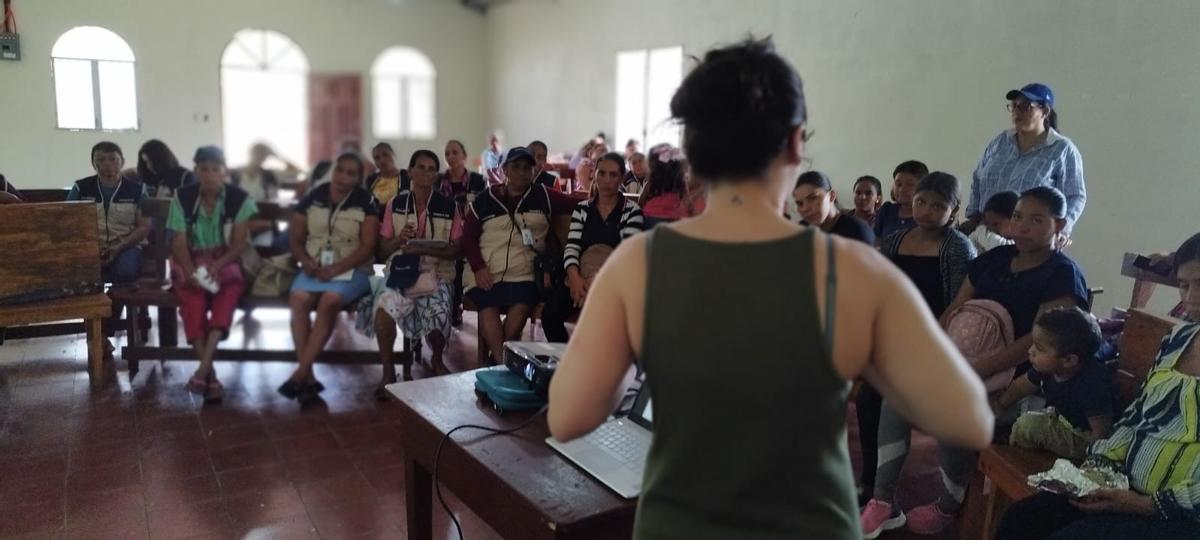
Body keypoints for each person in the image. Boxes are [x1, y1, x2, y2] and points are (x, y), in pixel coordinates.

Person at [547, 37, 993, 540]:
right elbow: (970, 419)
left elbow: (567, 416)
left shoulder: (639, 264)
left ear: (691, 150)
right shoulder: (852, 271)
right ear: (797, 142)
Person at [994, 233, 1200, 539]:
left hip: (1179, 514)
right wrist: (1097, 468)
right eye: (1184, 284)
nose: (1191, 297)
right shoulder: (1178, 341)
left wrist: (1144, 504)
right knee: (1023, 519)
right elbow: (1138, 418)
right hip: (1126, 487)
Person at [858, 172, 976, 519]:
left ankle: (926, 494)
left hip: (939, 344)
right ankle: (874, 482)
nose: (926, 210)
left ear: (953, 211)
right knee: (868, 398)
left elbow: (959, 305)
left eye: (938, 205)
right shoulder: (896, 240)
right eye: (921, 201)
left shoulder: (957, 247)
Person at [461, 146, 577, 366]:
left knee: (522, 303)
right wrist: (478, 267)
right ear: (505, 169)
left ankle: (497, 364)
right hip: (487, 269)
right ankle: (503, 364)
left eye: (527, 167)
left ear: (533, 171)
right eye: (516, 167)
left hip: (524, 271)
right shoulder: (487, 198)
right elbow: (468, 237)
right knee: (487, 305)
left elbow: (578, 204)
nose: (522, 172)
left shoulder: (543, 195)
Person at [283, 152, 379, 403]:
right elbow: (294, 238)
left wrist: (336, 269)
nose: (343, 177)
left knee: (330, 301)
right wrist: (306, 261)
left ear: (358, 178)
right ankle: (309, 376)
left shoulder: (365, 200)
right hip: (315, 267)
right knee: (299, 299)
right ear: (333, 170)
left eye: (351, 173)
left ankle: (299, 375)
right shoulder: (314, 196)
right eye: (340, 170)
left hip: (354, 269)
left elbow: (367, 247)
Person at [166, 146, 257, 401]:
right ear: (195, 171)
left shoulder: (238, 198)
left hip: (224, 257)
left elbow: (239, 243)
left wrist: (216, 267)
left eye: (215, 169)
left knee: (228, 290)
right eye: (203, 169)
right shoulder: (182, 197)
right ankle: (211, 374)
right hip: (191, 259)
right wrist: (191, 270)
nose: (209, 175)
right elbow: (179, 243)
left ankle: (201, 371)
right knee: (191, 296)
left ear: (224, 171)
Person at [372, 150, 463, 392]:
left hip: (437, 273)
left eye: (431, 168)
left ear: (436, 174)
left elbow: (456, 251)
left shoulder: (448, 206)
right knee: (383, 316)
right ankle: (388, 372)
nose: (426, 172)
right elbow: (381, 250)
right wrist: (398, 240)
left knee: (440, 315)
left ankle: (436, 359)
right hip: (402, 273)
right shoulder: (396, 203)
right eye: (420, 167)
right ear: (410, 171)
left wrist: (425, 247)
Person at [542, 152, 644, 343]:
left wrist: (597, 281)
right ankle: (567, 360)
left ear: (621, 178)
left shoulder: (631, 211)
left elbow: (627, 257)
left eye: (613, 175)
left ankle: (595, 366)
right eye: (602, 173)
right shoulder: (583, 208)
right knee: (550, 314)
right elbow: (571, 248)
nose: (606, 180)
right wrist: (574, 278)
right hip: (579, 278)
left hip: (613, 281)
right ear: (595, 175)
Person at [964, 83, 1086, 242]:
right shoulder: (1000, 142)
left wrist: (1061, 230)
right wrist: (973, 217)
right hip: (985, 233)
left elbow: (1075, 196)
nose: (1017, 111)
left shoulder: (1062, 149)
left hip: (1027, 238)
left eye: (1026, 106)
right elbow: (978, 179)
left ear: (1045, 111)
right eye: (1014, 106)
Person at [993, 306, 1115, 459]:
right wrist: (998, 407)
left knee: (1027, 426)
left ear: (1069, 360)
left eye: (1039, 348)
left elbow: (1101, 431)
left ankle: (1013, 459)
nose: (1030, 351)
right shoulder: (1047, 368)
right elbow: (1020, 387)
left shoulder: (1092, 383)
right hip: (1061, 419)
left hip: (1083, 437)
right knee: (1023, 419)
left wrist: (1090, 462)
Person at [69, 142, 151, 286]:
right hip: (90, 248)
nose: (107, 164)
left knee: (125, 270)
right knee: (75, 271)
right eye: (100, 160)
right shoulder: (81, 188)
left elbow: (144, 227)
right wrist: (89, 248)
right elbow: (67, 221)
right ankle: (95, 306)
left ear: (122, 162)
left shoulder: (137, 190)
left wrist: (118, 248)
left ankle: (113, 308)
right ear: (94, 164)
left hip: (126, 247)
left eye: (113, 159)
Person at [440, 139, 489, 326]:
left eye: (455, 152)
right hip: (446, 231)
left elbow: (484, 207)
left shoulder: (478, 180)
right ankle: (450, 305)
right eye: (447, 154)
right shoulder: (439, 181)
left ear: (464, 156)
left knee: (464, 255)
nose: (451, 157)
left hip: (471, 230)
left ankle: (459, 302)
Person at [792, 170, 874, 244]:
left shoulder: (857, 231)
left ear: (831, 196)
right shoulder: (802, 230)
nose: (805, 208)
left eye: (813, 198)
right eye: (800, 203)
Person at [873, 160, 927, 243]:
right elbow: (875, 240)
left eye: (910, 184)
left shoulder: (927, 216)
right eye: (898, 184)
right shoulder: (886, 210)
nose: (902, 189)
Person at [638, 145, 689, 227]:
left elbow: (641, 200)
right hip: (675, 217)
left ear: (653, 164)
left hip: (652, 216)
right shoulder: (680, 180)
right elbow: (687, 200)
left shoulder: (652, 179)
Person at [229, 142, 294, 203]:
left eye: (263, 154)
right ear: (249, 154)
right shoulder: (233, 174)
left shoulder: (271, 174)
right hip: (239, 213)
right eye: (256, 154)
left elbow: (295, 170)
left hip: (266, 213)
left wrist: (277, 156)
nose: (259, 157)